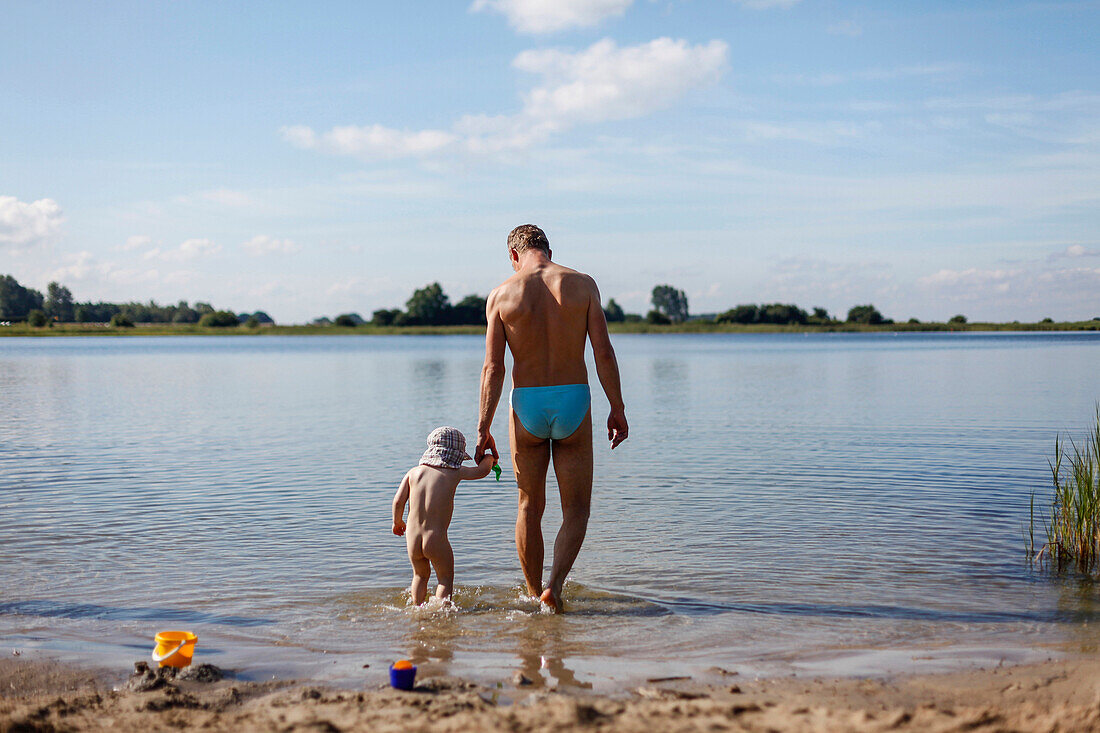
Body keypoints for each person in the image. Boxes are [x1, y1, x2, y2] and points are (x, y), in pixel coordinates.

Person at [475, 224, 628, 612]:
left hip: (526, 404)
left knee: (529, 505)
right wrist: (617, 406)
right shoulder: (582, 284)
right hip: (573, 399)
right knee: (576, 509)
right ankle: (554, 589)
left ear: (514, 255)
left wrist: (483, 427)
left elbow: (493, 368)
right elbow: (604, 353)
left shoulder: (500, 295)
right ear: (547, 248)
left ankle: (532, 595)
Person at [392, 426, 496, 605]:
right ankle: (441, 613)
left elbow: (398, 502)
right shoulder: (454, 472)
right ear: (457, 453)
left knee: (420, 575)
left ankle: (417, 609)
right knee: (445, 579)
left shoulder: (413, 473)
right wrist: (489, 458)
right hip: (436, 539)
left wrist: (397, 522)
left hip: (412, 539)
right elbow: (482, 471)